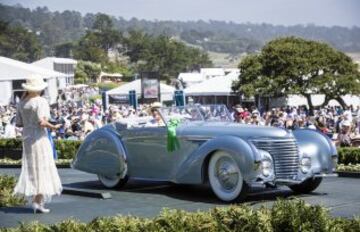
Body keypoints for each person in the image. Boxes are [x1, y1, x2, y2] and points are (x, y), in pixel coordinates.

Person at [13, 76, 63, 214]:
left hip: (27, 138)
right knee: (42, 168)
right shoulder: (41, 101)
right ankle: (37, 202)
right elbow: (42, 122)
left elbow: (18, 123)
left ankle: (36, 201)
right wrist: (54, 127)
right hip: (39, 138)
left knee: (33, 169)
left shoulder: (22, 103)